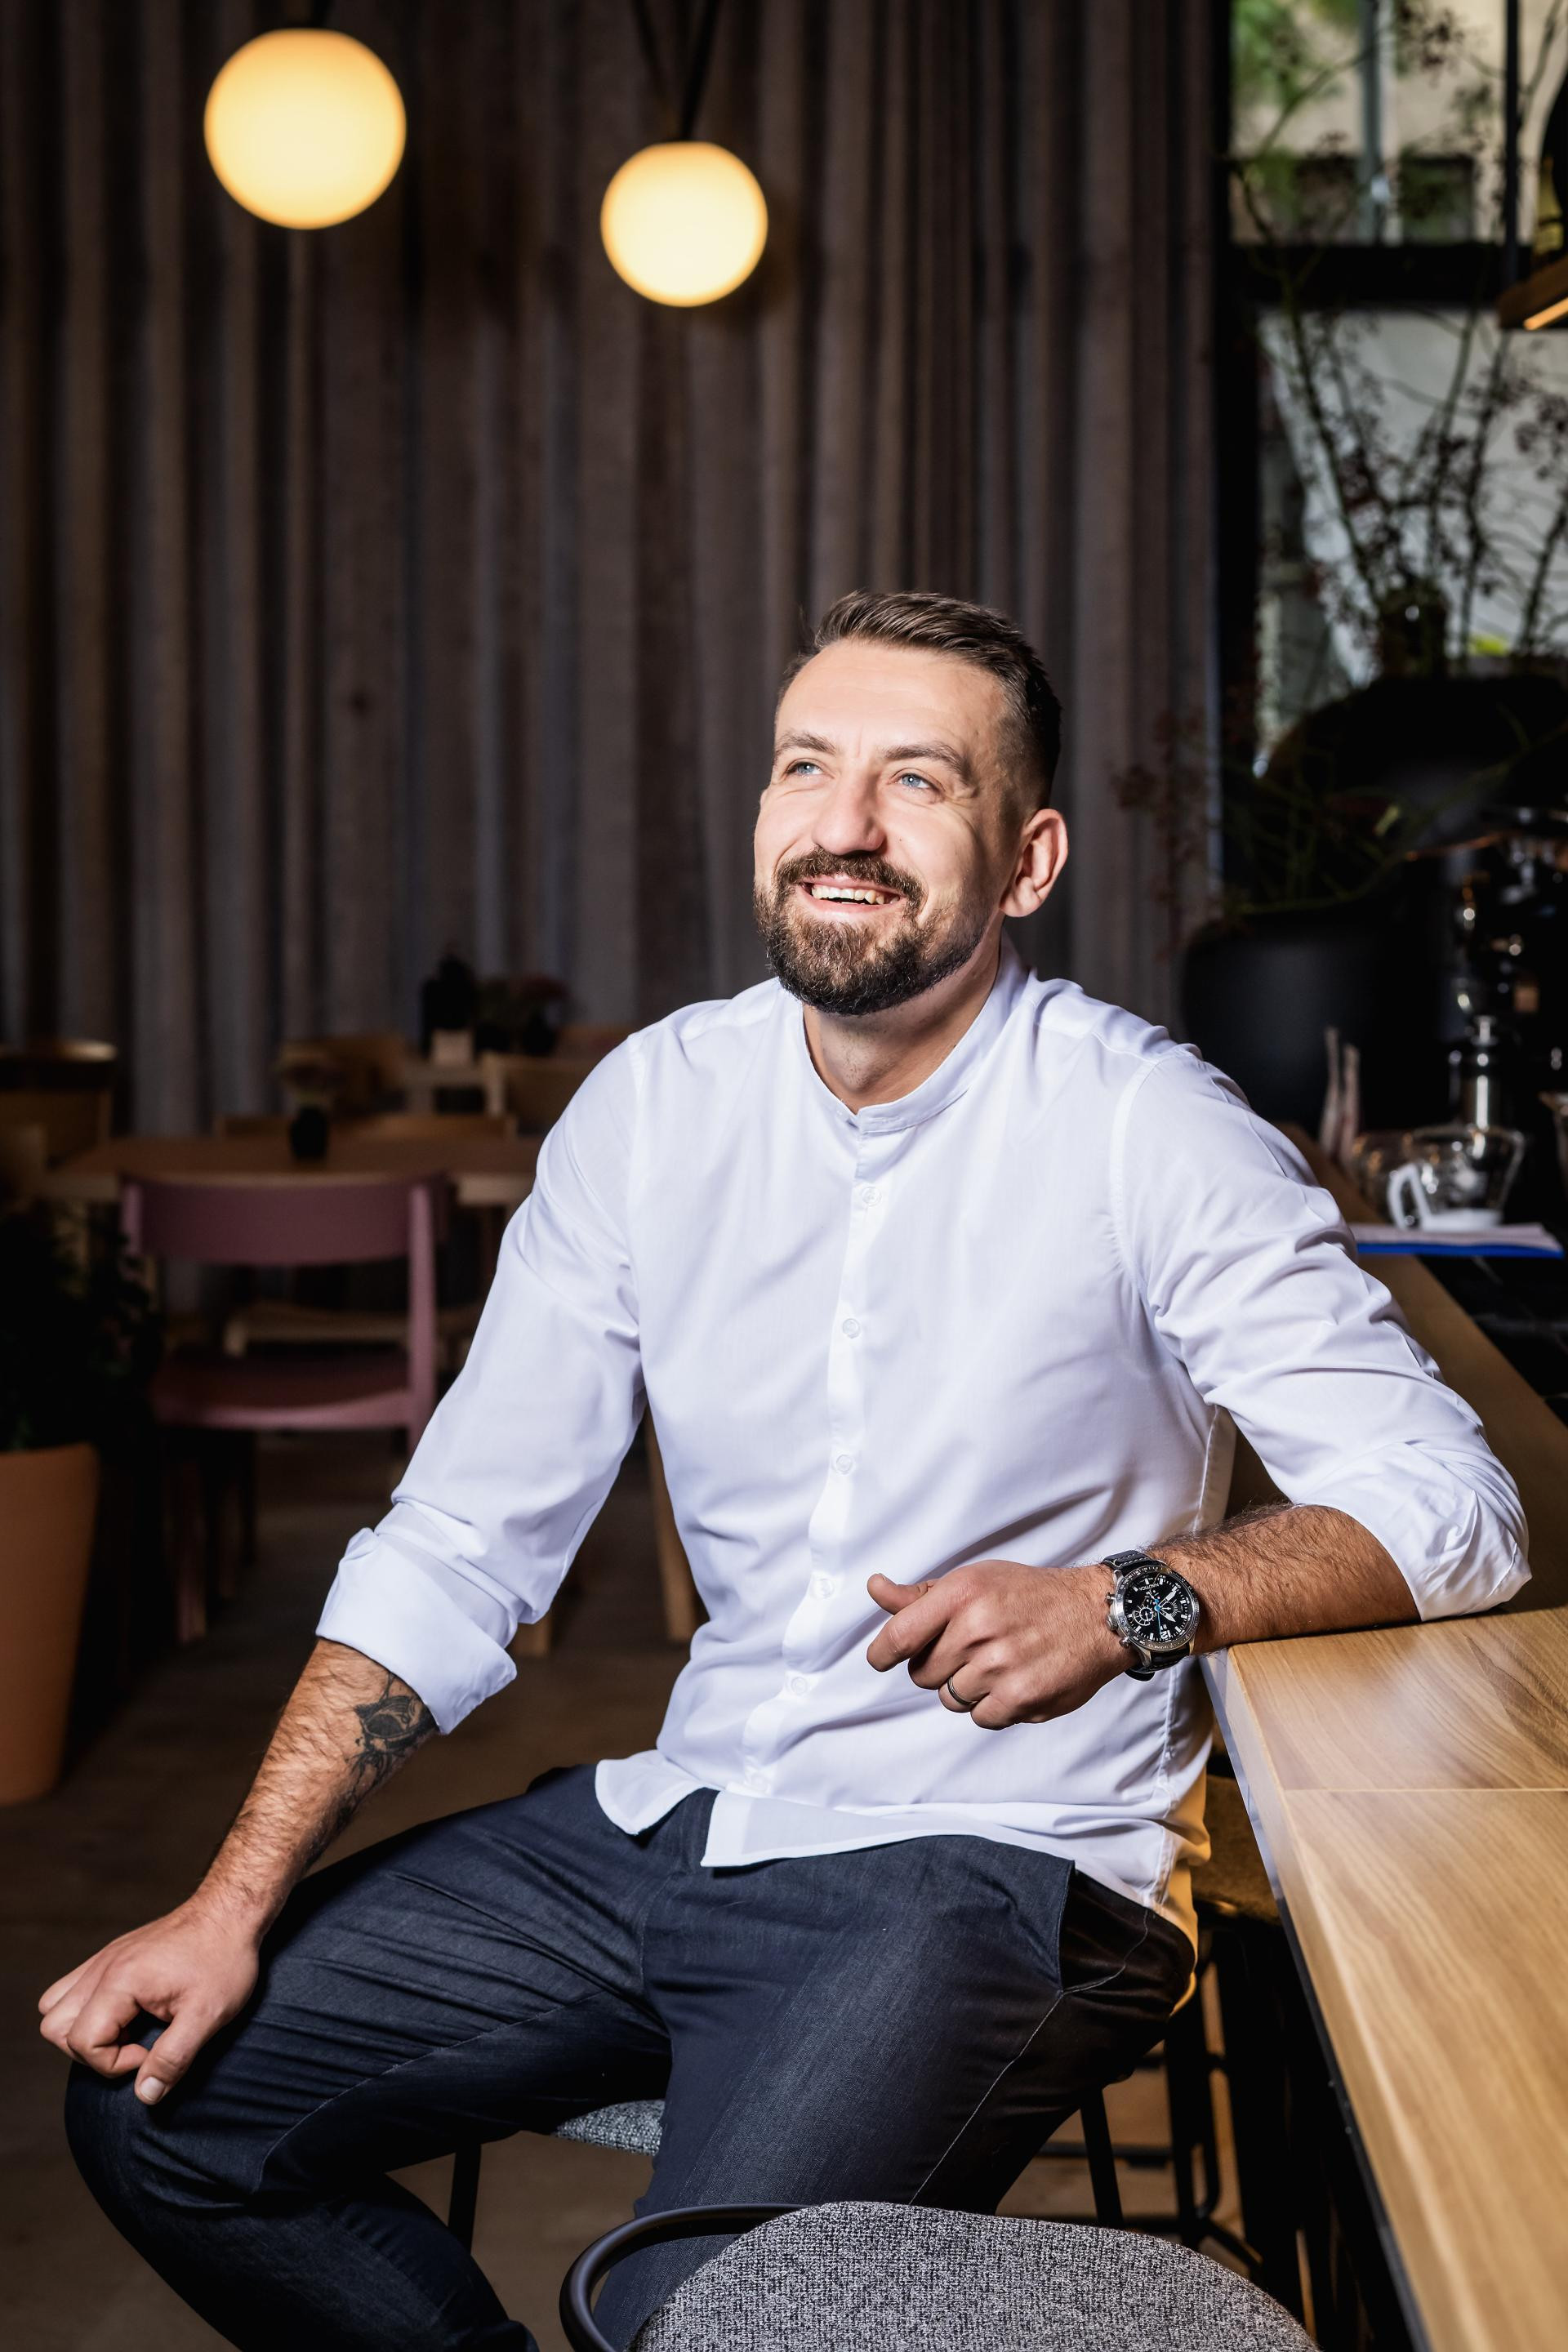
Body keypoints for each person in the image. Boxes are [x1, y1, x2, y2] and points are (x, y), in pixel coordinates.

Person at [47, 593, 1526, 2351]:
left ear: (1029, 860)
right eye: (807, 769)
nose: (845, 824)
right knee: (163, 2111)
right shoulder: (652, 1108)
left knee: (697, 2312)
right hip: (679, 1816)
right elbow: (456, 1544)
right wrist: (229, 1905)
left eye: (919, 781)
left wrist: (1129, 1602)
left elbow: (1456, 1503)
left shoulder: (1151, 1127)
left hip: (995, 1863)